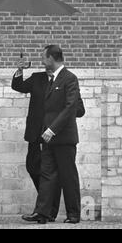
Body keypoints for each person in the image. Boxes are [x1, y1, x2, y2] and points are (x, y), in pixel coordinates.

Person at [11, 53, 85, 223]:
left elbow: (76, 108)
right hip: (41, 134)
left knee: (67, 176)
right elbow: (18, 85)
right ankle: (44, 212)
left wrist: (55, 125)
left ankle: (72, 214)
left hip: (61, 135)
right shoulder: (40, 79)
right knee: (45, 173)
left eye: (44, 58)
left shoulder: (69, 78)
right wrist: (20, 69)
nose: (41, 62)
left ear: (51, 58)